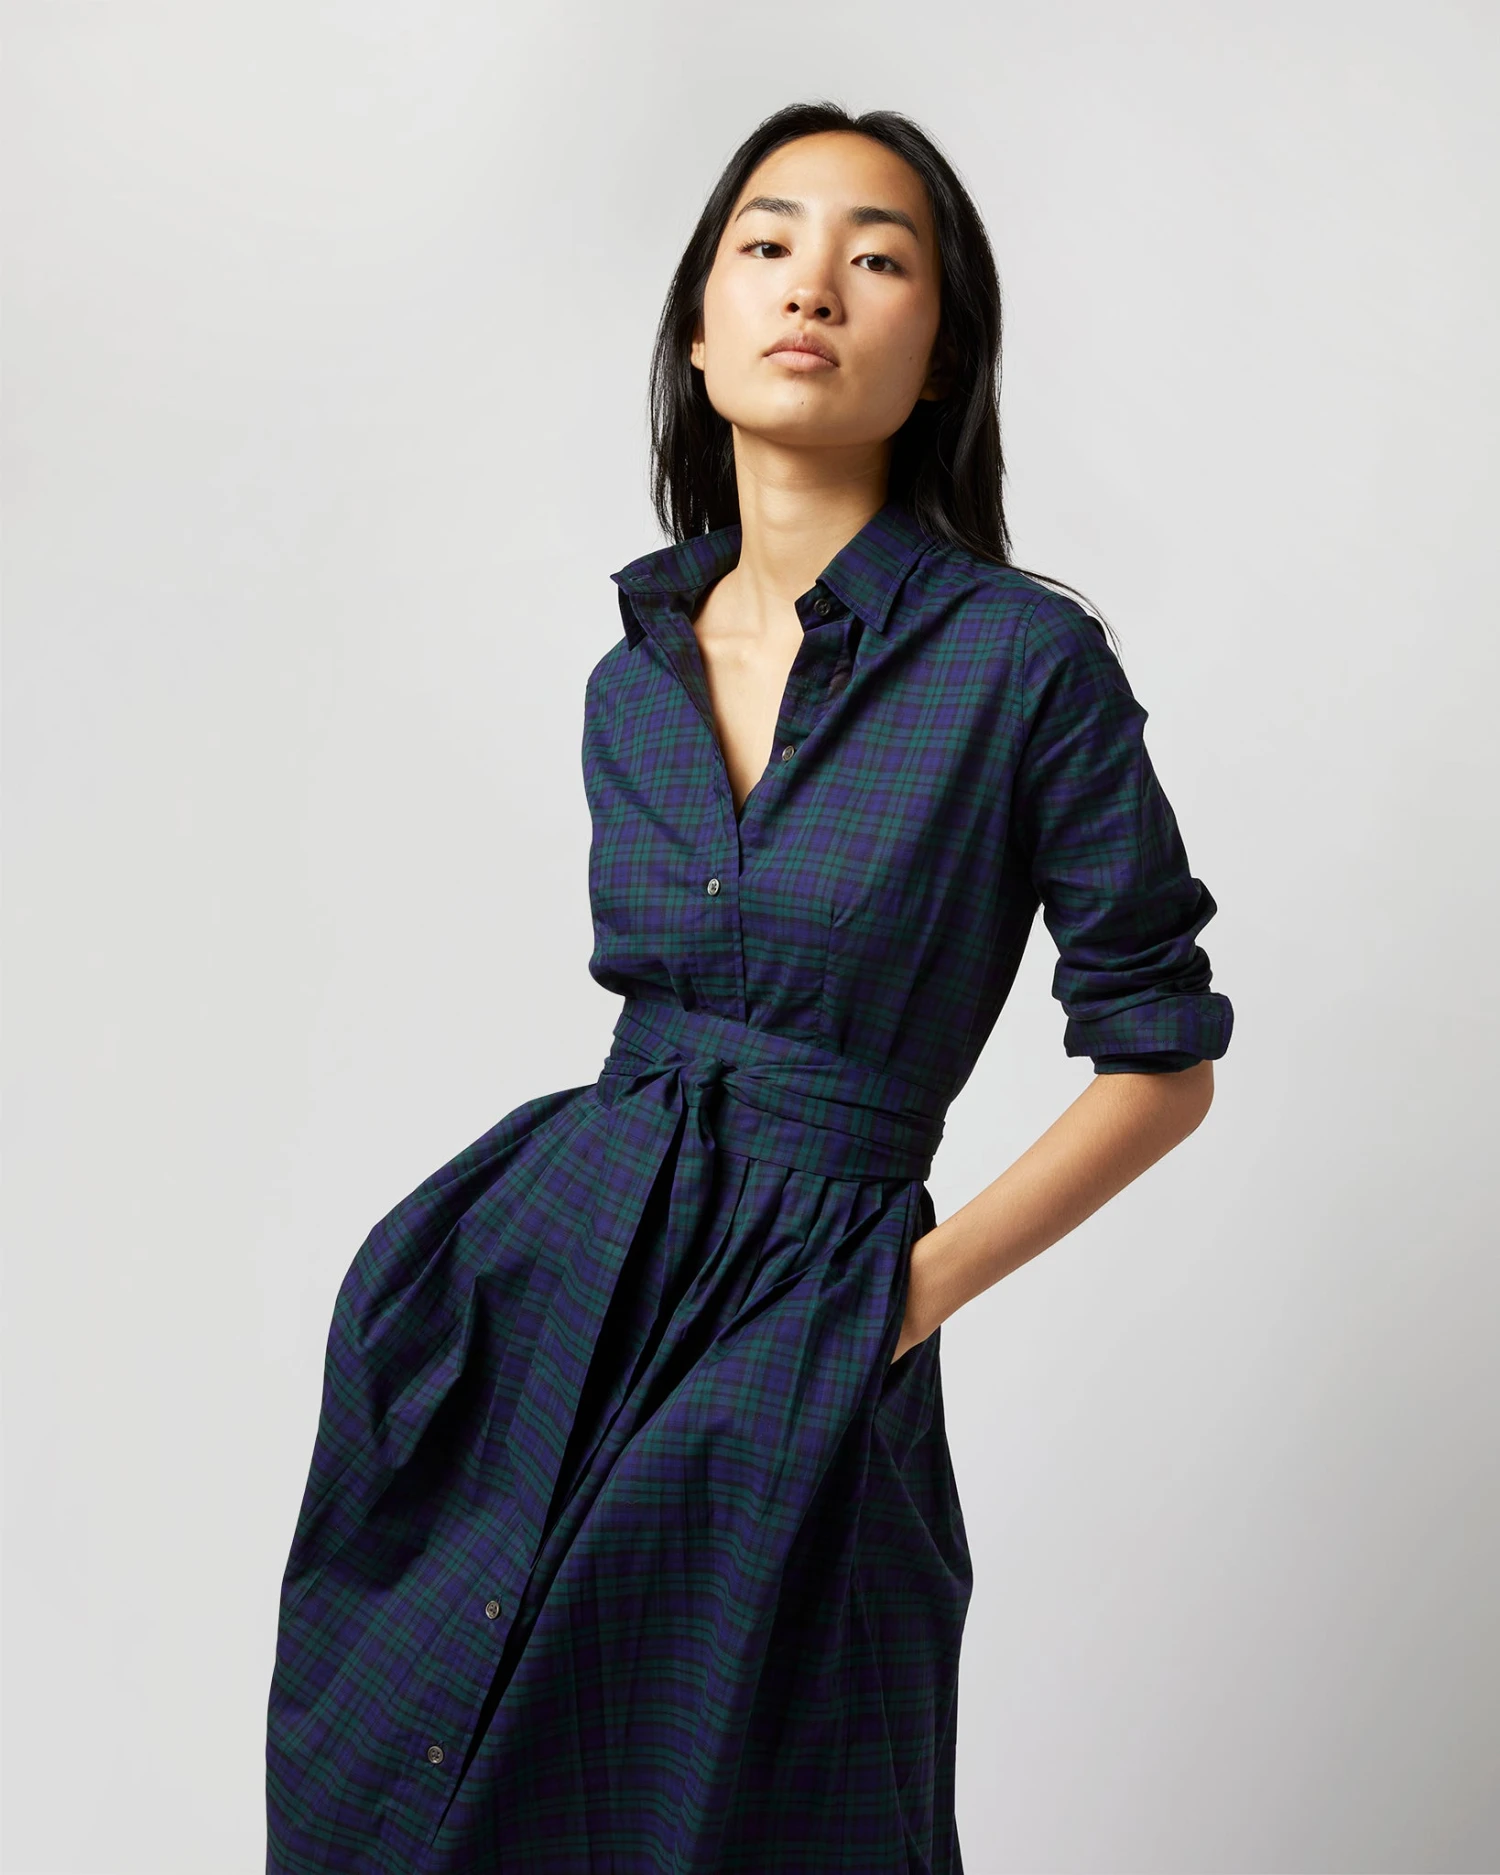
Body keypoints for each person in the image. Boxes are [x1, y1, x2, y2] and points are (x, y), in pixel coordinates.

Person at [265, 100, 1233, 1873]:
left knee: (756, 1798)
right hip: (555, 1262)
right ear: (700, 333)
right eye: (767, 245)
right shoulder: (628, 678)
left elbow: (1161, 1059)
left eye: (880, 257)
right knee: (414, 1769)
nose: (814, 286)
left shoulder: (1026, 667)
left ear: (940, 354)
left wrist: (896, 1304)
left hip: (815, 1293)